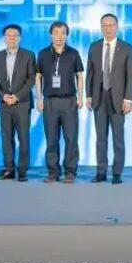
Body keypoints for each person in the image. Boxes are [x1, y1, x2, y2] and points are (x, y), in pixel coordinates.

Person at [85, 13, 132, 184]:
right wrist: (89, 95)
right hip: (99, 97)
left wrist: (128, 99)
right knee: (100, 139)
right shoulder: (94, 47)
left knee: (118, 139)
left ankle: (117, 173)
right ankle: (101, 172)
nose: (108, 28)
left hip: (118, 99)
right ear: (101, 27)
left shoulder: (126, 48)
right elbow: (90, 73)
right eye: (105, 25)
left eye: (111, 25)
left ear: (117, 26)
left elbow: (131, 76)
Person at [35, 21, 84, 183]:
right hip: (50, 101)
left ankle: (70, 172)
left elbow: (79, 75)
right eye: (56, 33)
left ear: (67, 35)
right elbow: (38, 76)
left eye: (63, 33)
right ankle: (53, 172)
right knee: (51, 139)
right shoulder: (43, 54)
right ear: (51, 35)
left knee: (71, 138)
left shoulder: (73, 53)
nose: (59, 36)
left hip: (69, 101)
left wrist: (80, 96)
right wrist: (39, 98)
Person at [0, 24, 36, 181]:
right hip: (4, 104)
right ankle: (9, 169)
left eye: (15, 35)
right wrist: (2, 96)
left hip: (22, 103)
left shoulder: (29, 55)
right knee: (6, 137)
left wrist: (17, 96)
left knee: (23, 137)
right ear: (4, 38)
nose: (12, 38)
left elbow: (31, 79)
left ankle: (22, 170)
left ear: (20, 38)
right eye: (8, 35)